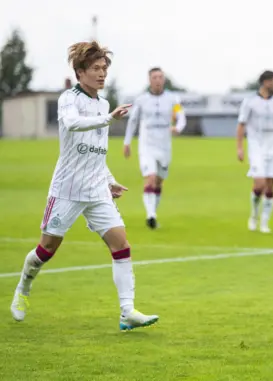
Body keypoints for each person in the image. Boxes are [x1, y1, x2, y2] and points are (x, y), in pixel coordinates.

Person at [10, 41, 159, 331]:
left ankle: (127, 311)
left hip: (95, 189)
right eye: (95, 69)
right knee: (47, 249)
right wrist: (108, 118)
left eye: (104, 68)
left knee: (121, 245)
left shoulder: (103, 103)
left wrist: (109, 179)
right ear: (80, 72)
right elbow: (73, 124)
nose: (102, 74)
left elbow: (96, 150)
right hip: (66, 188)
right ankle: (23, 289)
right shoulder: (70, 98)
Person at [123, 67, 186, 229]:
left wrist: (178, 127)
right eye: (155, 77)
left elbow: (181, 116)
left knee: (158, 182)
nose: (158, 80)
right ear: (150, 80)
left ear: (163, 80)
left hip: (164, 146)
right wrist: (127, 142)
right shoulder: (141, 100)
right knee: (150, 178)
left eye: (160, 77)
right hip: (147, 146)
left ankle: (153, 213)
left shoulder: (173, 99)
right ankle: (151, 215)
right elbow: (133, 121)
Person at [236, 71, 273, 234]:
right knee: (259, 183)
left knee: (270, 187)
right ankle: (253, 215)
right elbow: (241, 124)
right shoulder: (250, 101)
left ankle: (265, 221)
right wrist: (239, 147)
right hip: (256, 144)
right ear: (266, 82)